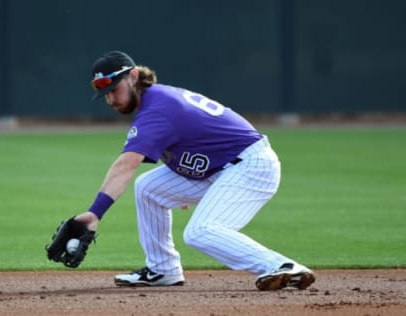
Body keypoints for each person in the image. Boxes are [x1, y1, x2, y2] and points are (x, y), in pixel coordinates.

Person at [73, 50, 315, 291]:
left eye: (114, 89)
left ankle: (282, 266)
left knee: (199, 232)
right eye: (106, 94)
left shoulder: (156, 110)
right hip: (221, 167)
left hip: (250, 166)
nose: (111, 99)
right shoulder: (158, 99)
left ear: (133, 76)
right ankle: (162, 269)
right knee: (148, 188)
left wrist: (95, 213)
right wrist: (186, 183)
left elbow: (125, 166)